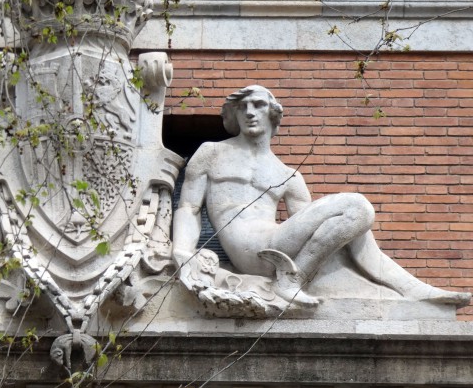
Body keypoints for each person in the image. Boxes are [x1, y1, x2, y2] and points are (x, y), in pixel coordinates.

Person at [172, 84, 470, 308]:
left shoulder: (289, 175)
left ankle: (414, 290)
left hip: (279, 245)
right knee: (357, 206)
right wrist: (182, 252)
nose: (250, 112)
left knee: (357, 225)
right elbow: (187, 207)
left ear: (272, 114)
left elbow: (321, 231)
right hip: (250, 250)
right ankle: (292, 280)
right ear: (234, 114)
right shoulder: (212, 152)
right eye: (243, 106)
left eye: (259, 105)